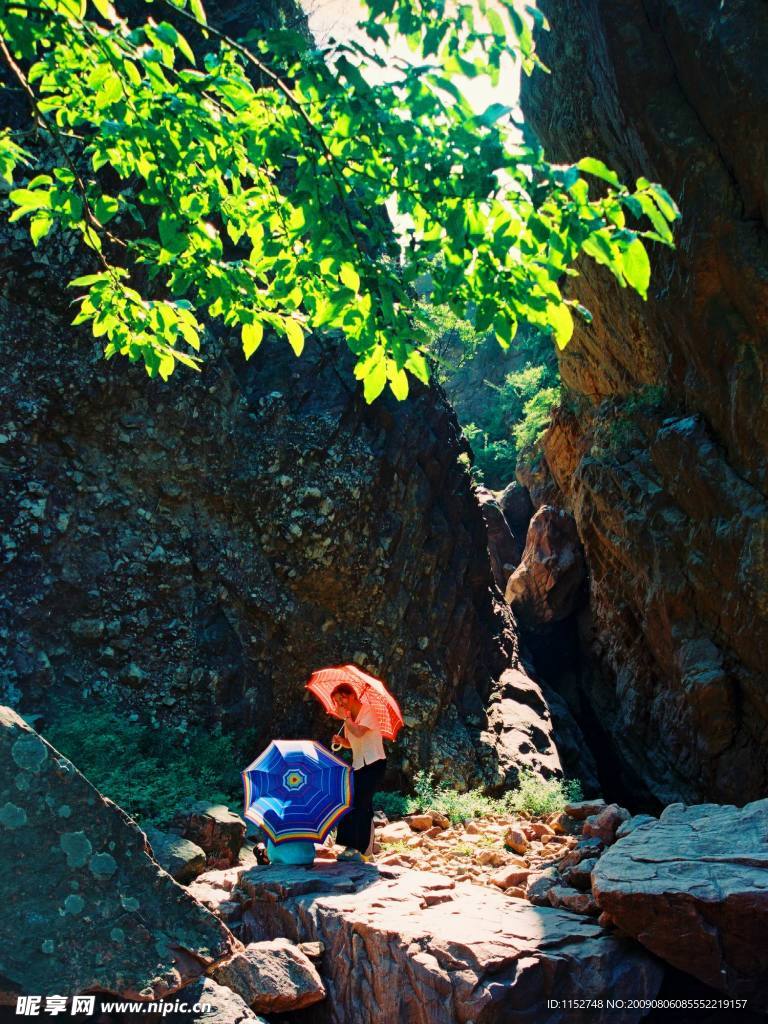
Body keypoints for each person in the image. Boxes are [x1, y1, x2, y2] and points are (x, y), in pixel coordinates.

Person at [330, 682, 387, 863]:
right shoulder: (349, 717)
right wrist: (341, 740)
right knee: (349, 802)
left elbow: (360, 732)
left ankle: (365, 851)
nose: (341, 703)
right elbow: (352, 741)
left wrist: (345, 719)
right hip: (358, 765)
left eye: (342, 698)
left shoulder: (367, 711)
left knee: (363, 804)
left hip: (374, 763)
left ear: (353, 695)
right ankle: (349, 847)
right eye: (337, 701)